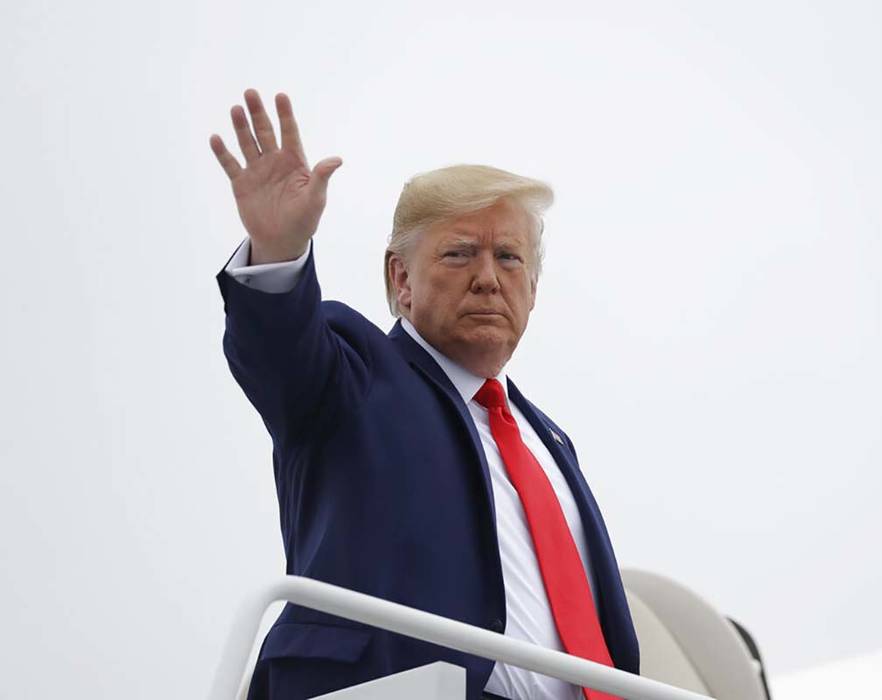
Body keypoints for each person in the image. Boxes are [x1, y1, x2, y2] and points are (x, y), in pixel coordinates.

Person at [210, 89, 639, 700]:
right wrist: (278, 251)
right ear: (401, 279)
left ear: (534, 289)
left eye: (510, 257)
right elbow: (280, 353)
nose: (488, 277)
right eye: (460, 253)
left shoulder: (550, 441)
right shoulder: (353, 375)